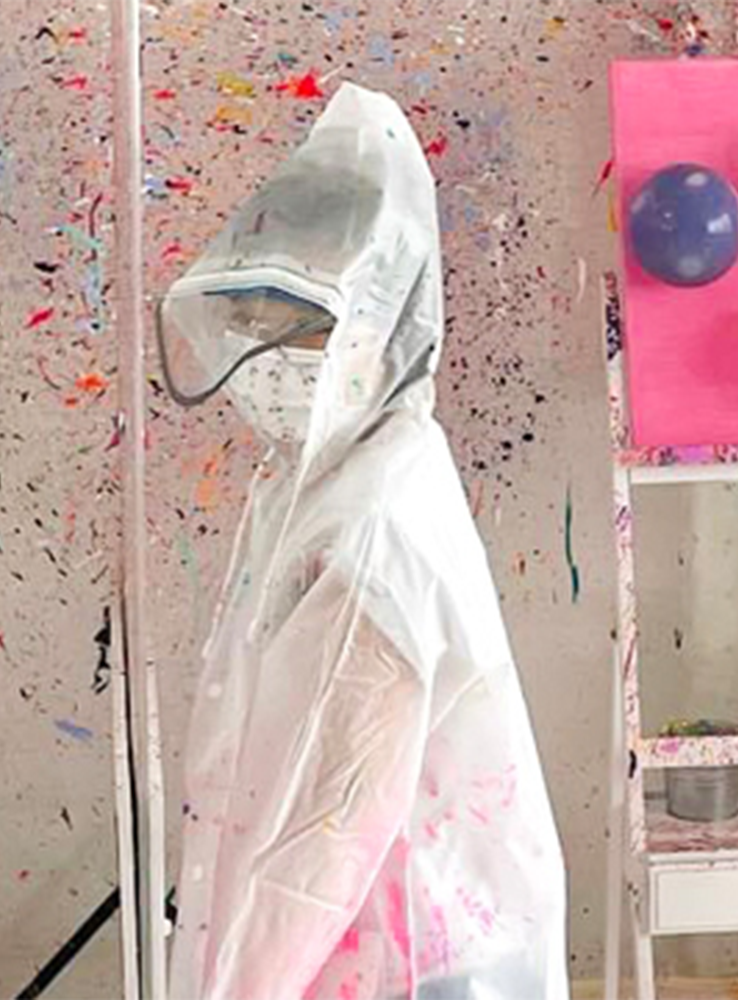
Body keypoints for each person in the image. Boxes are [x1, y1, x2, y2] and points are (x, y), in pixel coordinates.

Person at [157, 84, 568, 1000]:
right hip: (362, 939)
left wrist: (238, 987)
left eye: (307, 328)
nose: (268, 358)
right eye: (253, 322)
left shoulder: (372, 519)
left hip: (397, 951)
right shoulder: (327, 473)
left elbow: (332, 817)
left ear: (383, 329)